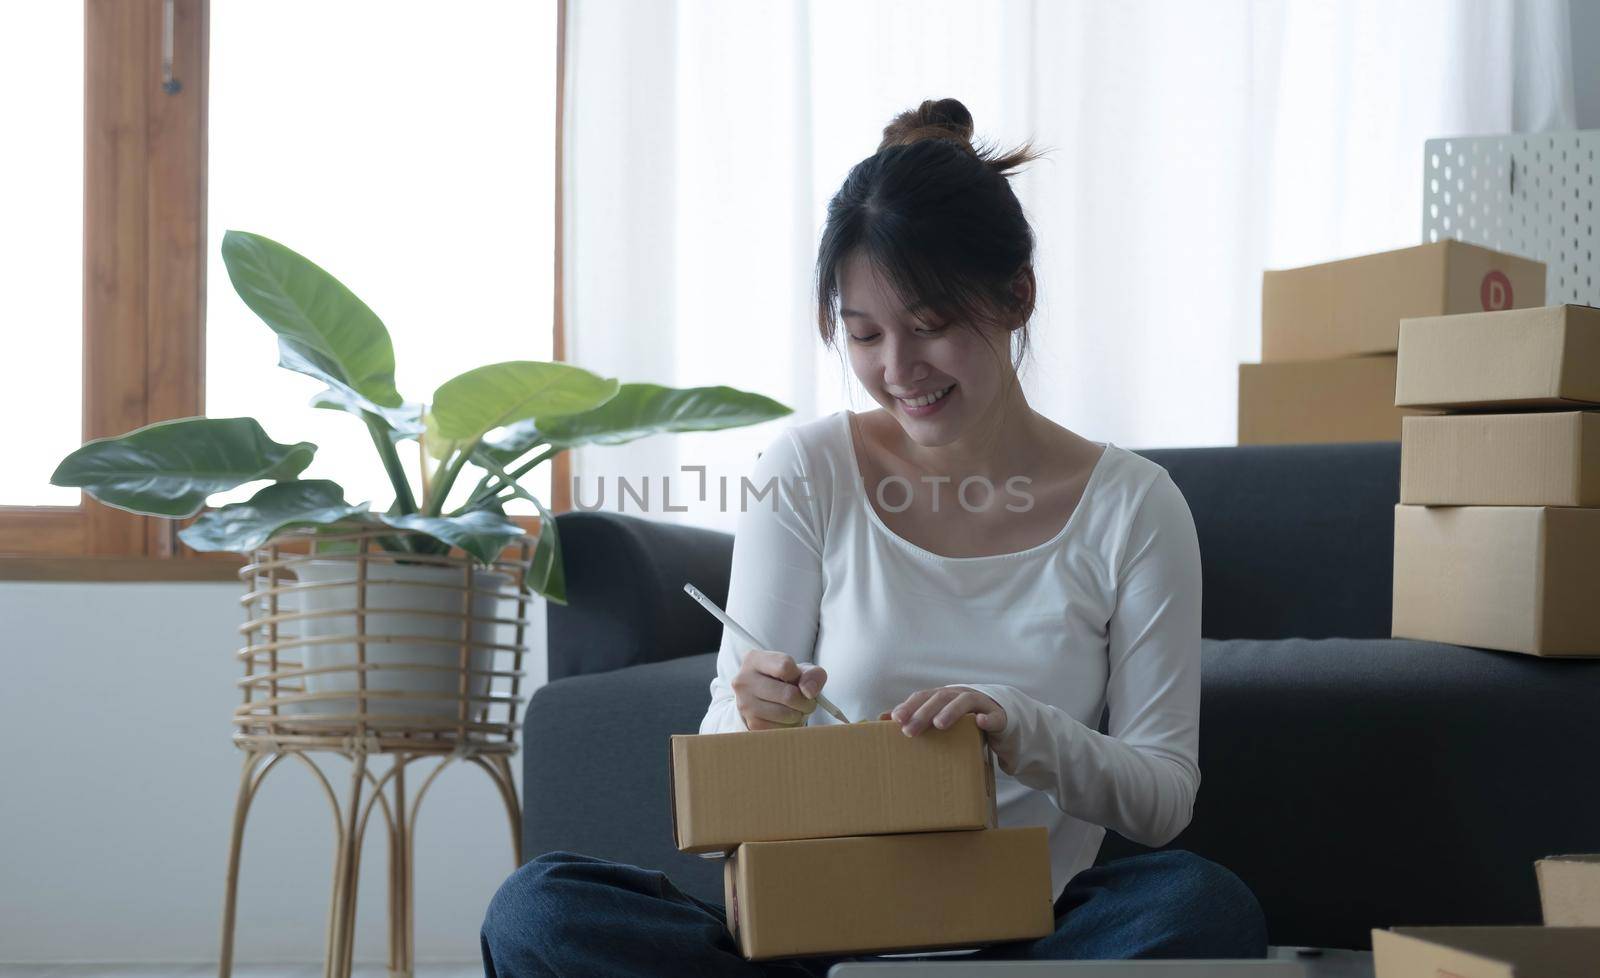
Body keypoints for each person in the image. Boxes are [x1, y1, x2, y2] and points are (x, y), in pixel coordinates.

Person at [481, 97, 1268, 977]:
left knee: (1201, 906)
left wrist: (1018, 727)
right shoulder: (809, 469)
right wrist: (750, 716)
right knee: (540, 912)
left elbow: (1162, 801)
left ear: (1018, 295)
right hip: (804, 940)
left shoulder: (1134, 507)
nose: (898, 371)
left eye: (930, 327)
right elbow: (715, 819)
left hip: (1025, 943)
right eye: (863, 335)